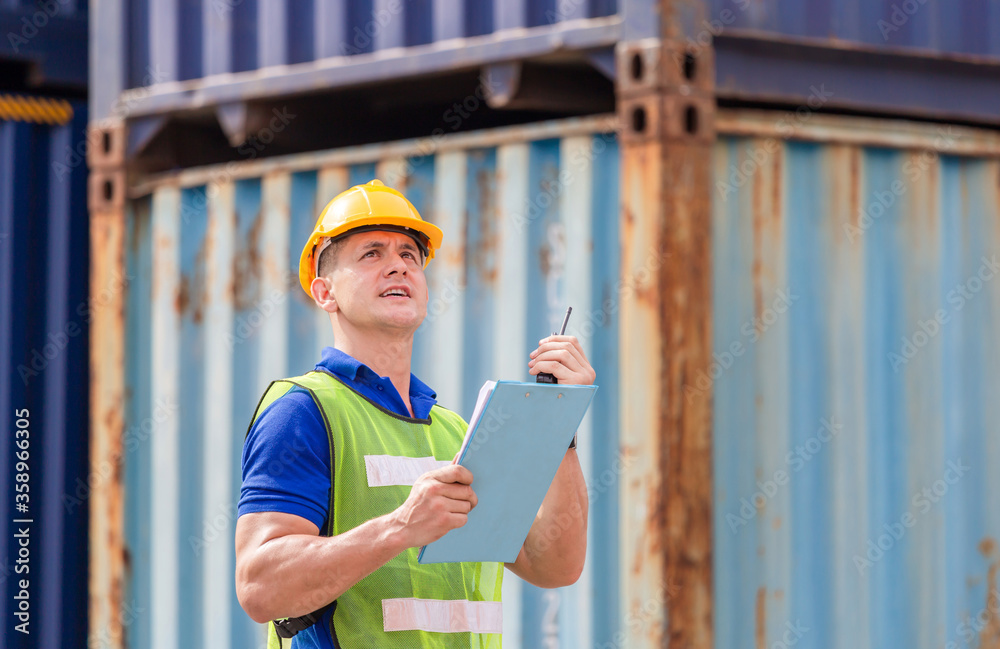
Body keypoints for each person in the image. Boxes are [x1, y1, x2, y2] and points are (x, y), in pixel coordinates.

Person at [235, 179, 596, 648]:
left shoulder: (455, 432)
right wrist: (400, 528)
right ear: (325, 293)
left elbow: (553, 566)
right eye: (371, 254)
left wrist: (559, 426)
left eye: (410, 255)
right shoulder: (302, 412)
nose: (397, 267)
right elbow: (260, 587)